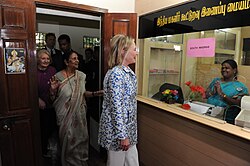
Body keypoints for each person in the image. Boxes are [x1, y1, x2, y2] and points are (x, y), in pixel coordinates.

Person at [49, 50, 103, 166]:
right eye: (74, 58)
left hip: (80, 116)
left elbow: (83, 93)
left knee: (81, 140)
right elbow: (53, 99)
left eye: (77, 58)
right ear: (66, 61)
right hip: (64, 117)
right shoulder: (58, 76)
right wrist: (52, 90)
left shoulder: (81, 76)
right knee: (68, 141)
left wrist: (95, 93)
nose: (77, 60)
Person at [98, 34, 139, 166]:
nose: (136, 52)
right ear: (123, 50)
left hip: (128, 132)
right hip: (118, 135)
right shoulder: (116, 74)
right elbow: (116, 108)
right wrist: (122, 136)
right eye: (134, 49)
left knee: (132, 162)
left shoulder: (126, 71)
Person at [205, 59, 249, 124]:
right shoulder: (216, 81)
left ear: (234, 70)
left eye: (227, 68)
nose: (224, 70)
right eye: (222, 68)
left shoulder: (240, 87)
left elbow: (238, 104)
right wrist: (212, 92)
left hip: (224, 117)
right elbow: (206, 95)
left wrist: (221, 94)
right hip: (207, 111)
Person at [37, 50, 58, 157]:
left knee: (52, 129)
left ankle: (52, 150)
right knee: (42, 130)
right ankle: (43, 152)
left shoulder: (53, 70)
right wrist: (37, 99)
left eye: (48, 59)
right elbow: (28, 89)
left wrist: (53, 92)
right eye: (43, 58)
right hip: (39, 108)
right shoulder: (33, 71)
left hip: (52, 104)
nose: (46, 61)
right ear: (38, 59)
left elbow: (56, 86)